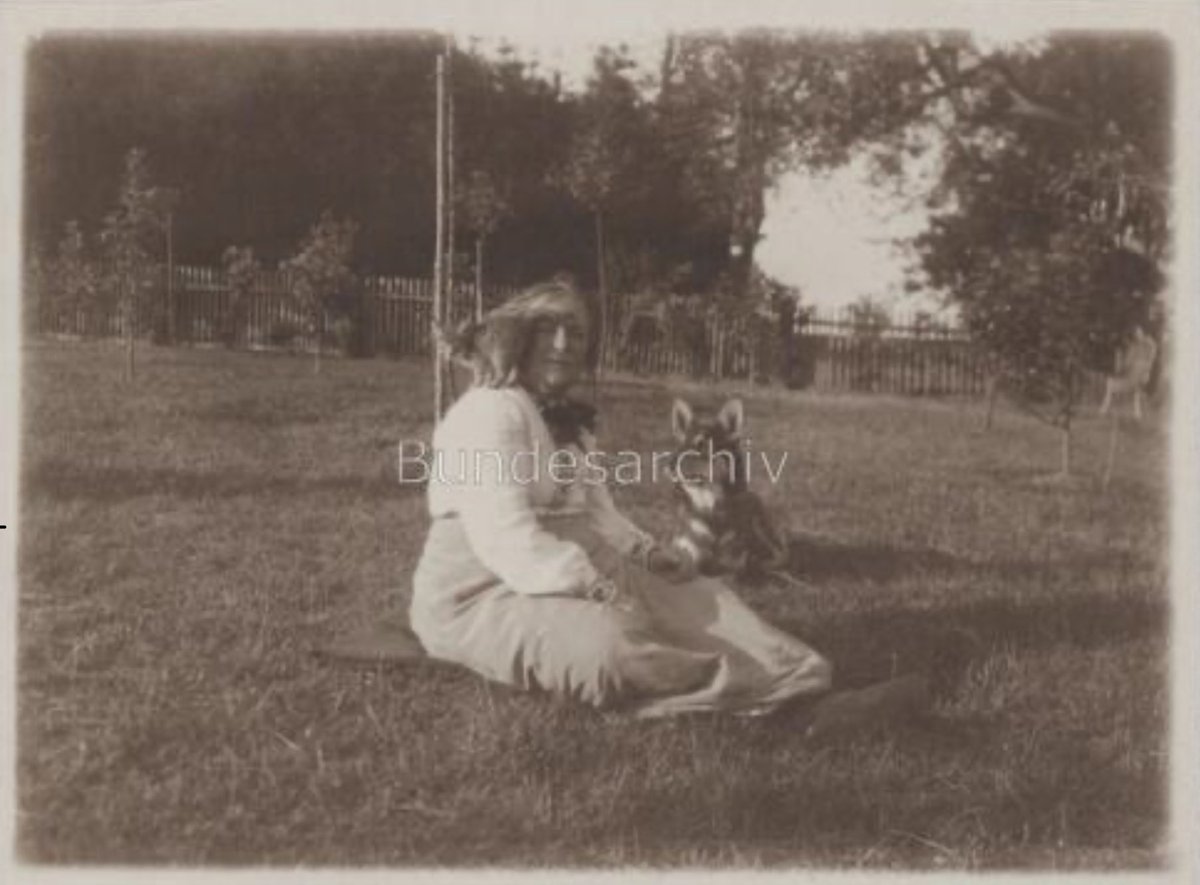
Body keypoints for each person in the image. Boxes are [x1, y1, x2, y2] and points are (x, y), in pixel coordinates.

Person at [409, 279, 928, 733]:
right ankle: (767, 708)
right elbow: (507, 539)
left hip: (567, 564)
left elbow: (594, 512)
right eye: (550, 329)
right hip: (482, 594)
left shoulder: (562, 418)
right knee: (610, 645)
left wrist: (646, 553)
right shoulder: (489, 412)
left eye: (579, 334)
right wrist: (596, 587)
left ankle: (806, 685)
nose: (565, 346)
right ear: (521, 336)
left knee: (699, 596)